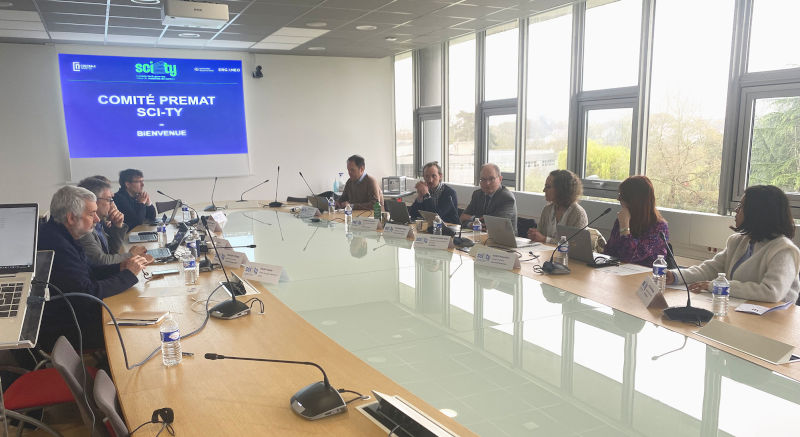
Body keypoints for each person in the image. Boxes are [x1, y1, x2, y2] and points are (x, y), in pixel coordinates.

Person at [37, 186, 148, 351]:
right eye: (91, 214)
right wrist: (128, 276)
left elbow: (89, 272)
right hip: (68, 329)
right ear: (71, 218)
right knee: (134, 330)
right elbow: (87, 294)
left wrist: (119, 268)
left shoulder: (63, 234)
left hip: (74, 313)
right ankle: (112, 372)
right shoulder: (57, 247)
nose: (97, 219)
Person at [666, 185, 800, 303]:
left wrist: (716, 286)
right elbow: (710, 269)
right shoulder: (737, 241)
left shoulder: (784, 250)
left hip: (774, 320)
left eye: (741, 207)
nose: (736, 210)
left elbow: (771, 292)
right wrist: (676, 276)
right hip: (738, 310)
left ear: (757, 213)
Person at [77, 177, 153, 265]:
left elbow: (112, 251)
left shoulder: (99, 223)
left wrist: (117, 227)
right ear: (94, 201)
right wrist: (131, 255)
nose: (112, 203)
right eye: (109, 199)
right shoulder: (84, 228)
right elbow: (102, 261)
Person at [603, 175, 668, 267]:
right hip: (618, 273)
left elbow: (629, 256)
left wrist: (625, 226)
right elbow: (608, 251)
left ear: (634, 200)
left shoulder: (658, 227)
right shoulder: (623, 219)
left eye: (622, 196)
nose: (618, 199)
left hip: (644, 278)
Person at [528, 170, 588, 244]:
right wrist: (534, 235)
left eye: (548, 187)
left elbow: (574, 244)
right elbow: (540, 236)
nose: (544, 190)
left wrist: (545, 239)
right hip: (545, 254)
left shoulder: (578, 213)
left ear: (561, 190)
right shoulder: (547, 209)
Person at [459, 163, 517, 234]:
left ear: (500, 179)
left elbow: (491, 225)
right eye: (483, 179)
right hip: (479, 237)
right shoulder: (477, 194)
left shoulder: (506, 198)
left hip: (503, 241)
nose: (487, 183)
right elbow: (462, 218)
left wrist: (473, 220)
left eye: (491, 179)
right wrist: (472, 223)